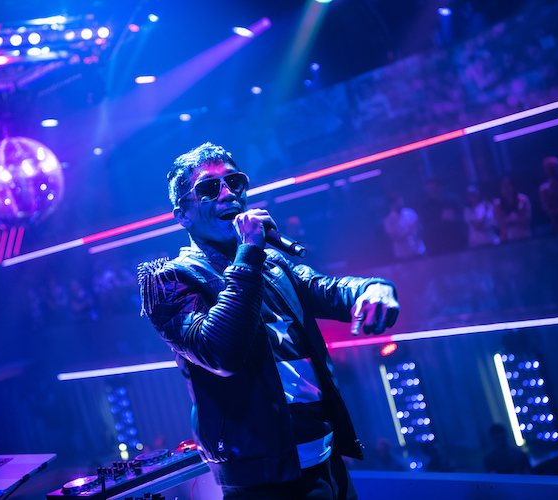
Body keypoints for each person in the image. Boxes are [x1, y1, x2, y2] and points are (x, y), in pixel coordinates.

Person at [138, 143, 400, 500]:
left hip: (326, 457)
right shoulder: (170, 280)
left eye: (234, 182)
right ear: (183, 215)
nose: (228, 193)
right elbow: (220, 352)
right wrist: (248, 253)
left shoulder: (273, 263)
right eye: (209, 188)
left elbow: (330, 289)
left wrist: (375, 288)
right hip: (264, 479)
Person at [383, 192, 426, 259]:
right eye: (397, 201)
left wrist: (419, 226)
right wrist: (410, 229)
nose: (400, 202)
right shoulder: (389, 220)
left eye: (400, 200)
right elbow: (395, 238)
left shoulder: (410, 212)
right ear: (391, 204)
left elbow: (420, 229)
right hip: (403, 255)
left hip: (419, 251)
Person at [493, 176, 532, 242]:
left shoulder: (522, 199)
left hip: (522, 235)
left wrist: (518, 219)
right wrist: (508, 219)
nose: (506, 189)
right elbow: (498, 223)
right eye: (503, 187)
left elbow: (528, 218)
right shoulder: (497, 204)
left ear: (512, 186)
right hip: (506, 237)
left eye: (508, 186)